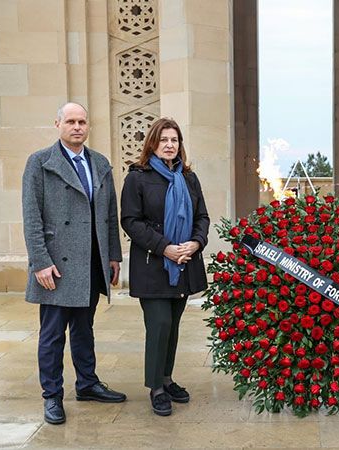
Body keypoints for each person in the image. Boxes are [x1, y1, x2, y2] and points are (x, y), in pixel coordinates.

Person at [22, 102, 127, 425]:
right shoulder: (40, 163)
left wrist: (112, 256)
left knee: (84, 329)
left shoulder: (100, 162)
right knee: (52, 335)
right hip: (56, 266)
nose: (77, 126)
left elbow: (109, 215)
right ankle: (52, 396)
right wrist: (40, 262)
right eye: (70, 121)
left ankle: (88, 383)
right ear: (58, 124)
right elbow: (31, 217)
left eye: (82, 121)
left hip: (91, 262)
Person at [120, 117, 210, 416]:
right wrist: (165, 248)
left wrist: (196, 243)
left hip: (184, 263)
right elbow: (131, 222)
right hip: (154, 264)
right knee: (158, 324)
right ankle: (155, 387)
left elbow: (202, 217)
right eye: (164, 140)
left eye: (174, 140)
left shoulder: (189, 178)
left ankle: (167, 378)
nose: (170, 145)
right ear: (152, 144)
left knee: (172, 326)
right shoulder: (137, 178)